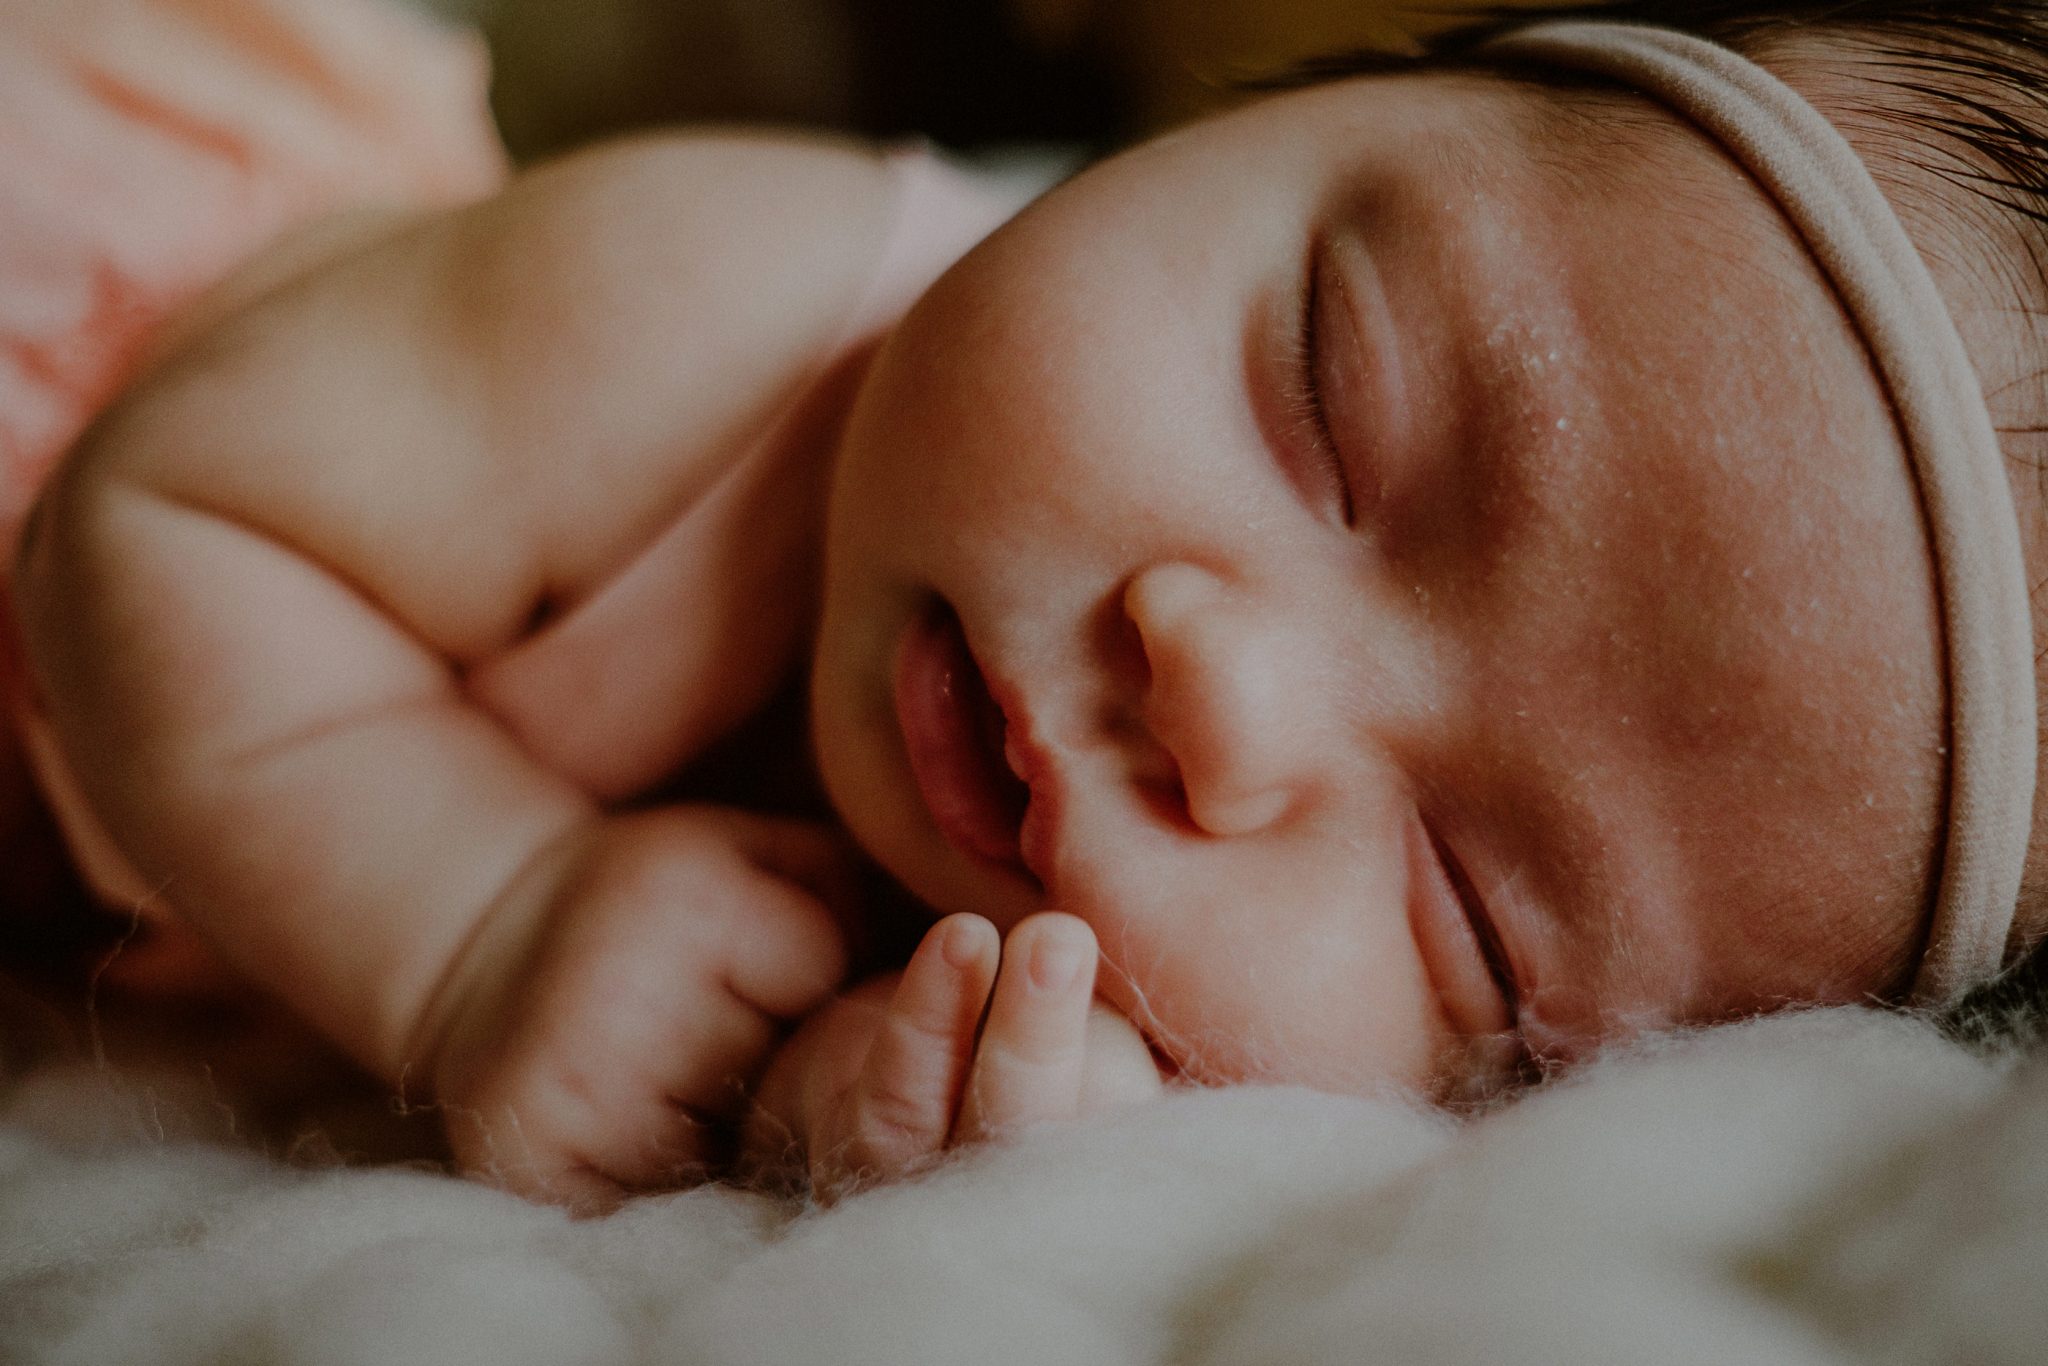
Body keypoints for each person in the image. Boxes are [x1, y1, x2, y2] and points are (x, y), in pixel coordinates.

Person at [7, 0, 2047, 1211]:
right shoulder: (693, 302)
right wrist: (485, 920)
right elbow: (161, 516)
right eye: (1329, 406)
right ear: (1244, 117)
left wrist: (904, 1099)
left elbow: (765, 1053)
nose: (1225, 703)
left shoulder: (1109, 918)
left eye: (1470, 904)